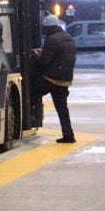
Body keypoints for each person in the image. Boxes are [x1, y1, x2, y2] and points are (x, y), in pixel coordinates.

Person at [32, 14, 77, 143]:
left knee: (30, 94)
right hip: (65, 80)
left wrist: (37, 56)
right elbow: (61, 56)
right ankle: (69, 135)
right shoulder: (68, 37)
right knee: (62, 108)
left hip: (51, 79)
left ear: (48, 27)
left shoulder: (52, 39)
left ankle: (29, 118)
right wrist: (44, 52)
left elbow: (44, 62)